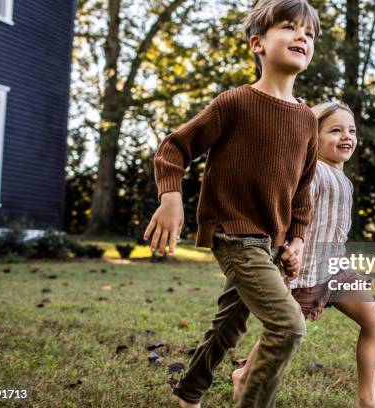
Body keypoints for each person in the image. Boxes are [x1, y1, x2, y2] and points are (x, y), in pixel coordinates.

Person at [143, 1, 321, 407]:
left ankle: (188, 394)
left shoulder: (308, 119)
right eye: (290, 28)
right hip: (234, 233)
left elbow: (302, 190)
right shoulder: (235, 103)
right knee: (288, 326)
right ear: (257, 43)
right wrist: (171, 197)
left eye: (308, 34)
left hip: (270, 243)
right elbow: (174, 148)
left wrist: (296, 240)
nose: (301, 37)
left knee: (229, 326)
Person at [232, 101, 375, 408]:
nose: (347, 136)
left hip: (336, 270)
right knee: (283, 333)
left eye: (352, 130)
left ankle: (367, 398)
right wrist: (288, 248)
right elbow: (288, 215)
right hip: (305, 274)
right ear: (313, 136)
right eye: (336, 130)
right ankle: (245, 374)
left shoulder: (344, 180)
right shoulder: (311, 174)